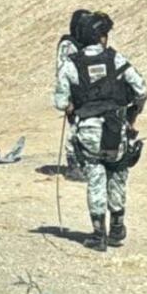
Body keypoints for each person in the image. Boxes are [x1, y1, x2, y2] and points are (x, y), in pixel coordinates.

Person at [53, 12, 147, 252]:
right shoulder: (115, 59)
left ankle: (98, 235)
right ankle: (117, 229)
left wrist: (76, 109)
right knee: (117, 174)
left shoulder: (71, 64)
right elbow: (141, 90)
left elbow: (61, 101)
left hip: (88, 131)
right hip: (116, 129)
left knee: (96, 179)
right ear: (102, 37)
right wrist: (132, 117)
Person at [55, 10, 91, 182]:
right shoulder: (68, 45)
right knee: (75, 130)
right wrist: (67, 99)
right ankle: (73, 166)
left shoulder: (85, 43)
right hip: (74, 95)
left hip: (87, 94)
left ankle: (85, 163)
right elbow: (63, 70)